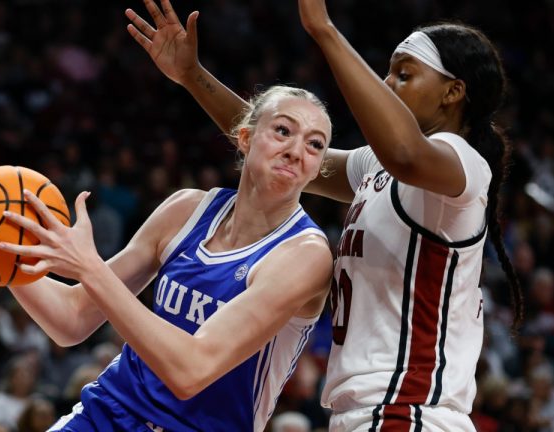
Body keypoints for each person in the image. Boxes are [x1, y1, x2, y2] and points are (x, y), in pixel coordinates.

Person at [125, 0, 524, 430]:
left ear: (453, 92)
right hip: (367, 411)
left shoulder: (462, 165)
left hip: (409, 412)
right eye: (388, 72)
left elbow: (406, 152)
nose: (387, 84)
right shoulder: (376, 166)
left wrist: (323, 29)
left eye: (404, 74)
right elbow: (272, 145)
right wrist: (191, 76)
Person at [0, 84, 334, 431]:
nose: (297, 151)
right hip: (107, 413)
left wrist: (89, 267)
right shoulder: (186, 209)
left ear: (318, 168)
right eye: (283, 130)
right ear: (245, 138)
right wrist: (3, 252)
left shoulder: (305, 255)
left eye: (315, 144)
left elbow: (191, 370)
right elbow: (72, 319)